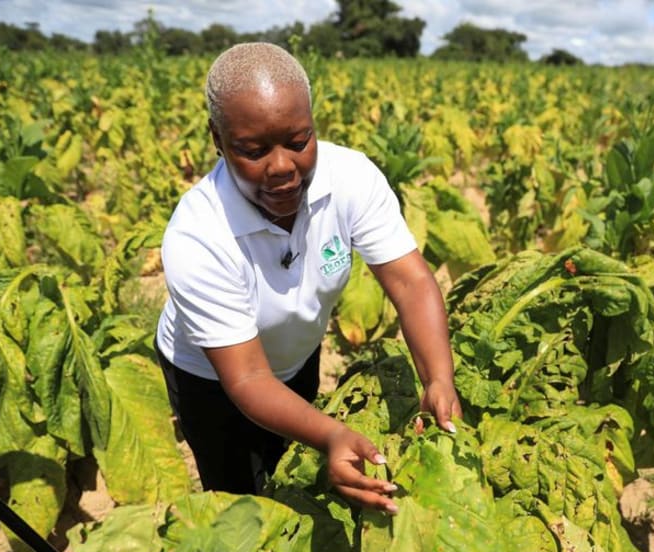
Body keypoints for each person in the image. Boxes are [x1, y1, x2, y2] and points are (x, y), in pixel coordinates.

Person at [155, 41, 461, 515]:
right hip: (212, 378)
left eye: (298, 142)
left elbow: (410, 281)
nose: (281, 167)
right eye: (252, 150)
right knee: (239, 502)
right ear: (217, 138)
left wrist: (439, 379)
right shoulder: (198, 235)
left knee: (291, 468)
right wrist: (333, 434)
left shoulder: (352, 178)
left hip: (297, 353)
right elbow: (249, 376)